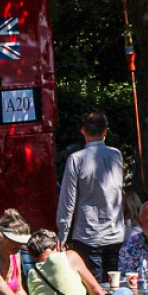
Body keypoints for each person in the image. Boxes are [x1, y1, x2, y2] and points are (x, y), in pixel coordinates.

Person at [55, 111, 125, 282]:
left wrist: (62, 236)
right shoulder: (116, 155)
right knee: (114, 284)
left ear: (82, 131)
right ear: (105, 132)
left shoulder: (75, 159)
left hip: (87, 234)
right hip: (115, 233)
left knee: (93, 287)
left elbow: (68, 200)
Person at [26, 231, 107, 295]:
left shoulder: (31, 274)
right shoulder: (69, 256)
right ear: (57, 245)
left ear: (32, 256)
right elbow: (99, 293)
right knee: (123, 293)